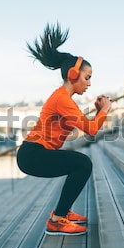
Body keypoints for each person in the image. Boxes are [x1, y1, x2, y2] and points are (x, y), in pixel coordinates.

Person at [16, 23, 112, 236]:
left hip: (35, 153)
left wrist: (98, 112)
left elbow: (88, 129)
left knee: (79, 164)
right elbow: (93, 131)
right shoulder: (62, 99)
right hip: (33, 154)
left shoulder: (64, 99)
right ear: (72, 75)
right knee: (82, 163)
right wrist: (105, 110)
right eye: (87, 78)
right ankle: (57, 221)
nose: (89, 83)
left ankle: (62, 213)